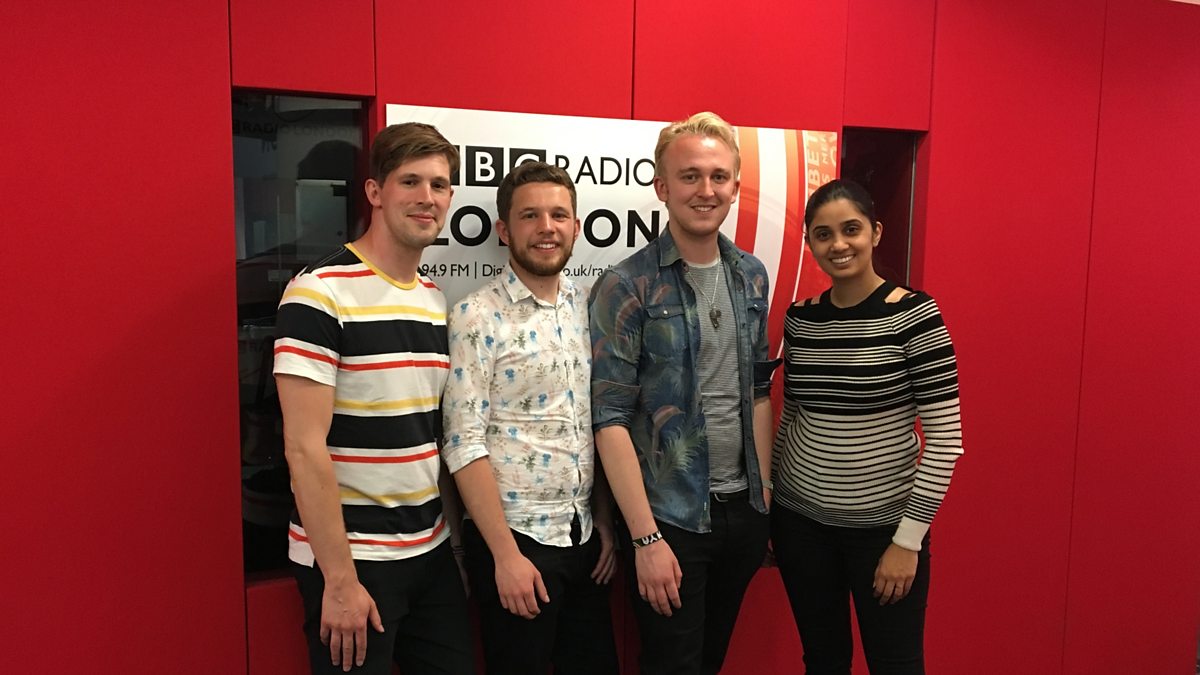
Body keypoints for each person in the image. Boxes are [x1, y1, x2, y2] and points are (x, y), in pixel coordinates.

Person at [273, 122, 473, 674]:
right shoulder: (319, 292)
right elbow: (303, 448)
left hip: (429, 553)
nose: (427, 197)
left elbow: (428, 437)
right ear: (375, 192)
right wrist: (339, 581)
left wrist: (452, 549)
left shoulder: (433, 299)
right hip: (352, 560)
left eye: (439, 184)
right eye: (410, 181)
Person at [589, 111, 778, 675]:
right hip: (668, 519)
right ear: (662, 186)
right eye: (690, 176)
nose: (706, 190)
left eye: (718, 177)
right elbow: (610, 419)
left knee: (710, 663)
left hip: (742, 513)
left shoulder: (751, 274)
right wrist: (645, 539)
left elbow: (759, 393)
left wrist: (763, 499)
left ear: (736, 187)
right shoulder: (626, 283)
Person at [770, 179, 964, 674]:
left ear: (875, 232)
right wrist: (772, 512)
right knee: (823, 661)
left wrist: (908, 541)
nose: (838, 244)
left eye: (851, 229)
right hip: (801, 527)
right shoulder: (801, 319)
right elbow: (792, 418)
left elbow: (946, 441)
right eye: (823, 234)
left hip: (884, 534)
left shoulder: (915, 316)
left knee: (896, 665)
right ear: (809, 242)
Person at [442, 161, 619, 675]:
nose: (547, 227)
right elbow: (462, 441)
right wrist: (504, 556)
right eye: (530, 216)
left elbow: (591, 423)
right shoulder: (476, 316)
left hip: (583, 539)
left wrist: (603, 521)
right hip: (516, 543)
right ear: (504, 230)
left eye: (559, 215)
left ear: (577, 227)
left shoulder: (587, 308)